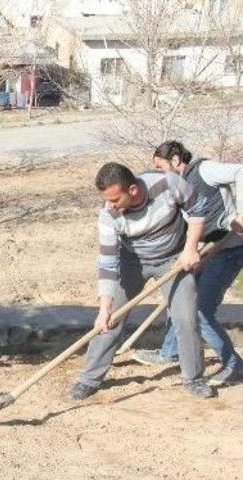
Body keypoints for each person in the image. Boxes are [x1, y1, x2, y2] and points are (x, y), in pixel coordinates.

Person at [69, 162, 213, 400]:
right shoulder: (109, 215)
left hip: (174, 259)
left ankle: (194, 378)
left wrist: (190, 249)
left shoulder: (169, 184)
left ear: (133, 190)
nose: (110, 205)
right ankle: (89, 378)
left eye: (115, 199)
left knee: (186, 318)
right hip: (132, 261)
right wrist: (104, 308)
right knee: (109, 320)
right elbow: (107, 263)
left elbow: (198, 208)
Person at [131, 141, 242, 386]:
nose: (160, 174)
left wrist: (242, 213)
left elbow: (240, 171)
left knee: (200, 311)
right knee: (180, 298)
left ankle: (234, 365)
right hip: (206, 250)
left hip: (229, 248)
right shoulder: (177, 188)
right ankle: (170, 352)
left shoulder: (204, 170)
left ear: (176, 160)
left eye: (162, 168)